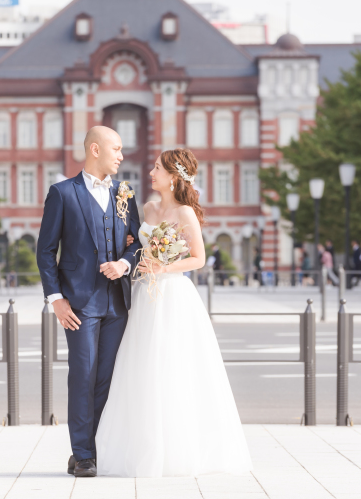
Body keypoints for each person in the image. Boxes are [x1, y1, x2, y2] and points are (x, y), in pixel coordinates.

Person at [96, 148, 252, 477]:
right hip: (143, 294)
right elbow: (135, 246)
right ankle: (139, 447)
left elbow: (198, 258)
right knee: (139, 365)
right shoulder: (149, 207)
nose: (150, 173)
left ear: (174, 176)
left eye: (156, 168)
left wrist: (164, 267)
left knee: (172, 365)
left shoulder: (185, 213)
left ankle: (176, 449)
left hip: (172, 294)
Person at [37, 126, 142, 478]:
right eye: (117, 149)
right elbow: (46, 251)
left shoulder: (125, 193)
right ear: (95, 150)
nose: (122, 156)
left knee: (107, 379)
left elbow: (137, 242)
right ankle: (82, 454)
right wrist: (56, 299)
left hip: (117, 304)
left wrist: (125, 263)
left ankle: (94, 448)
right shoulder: (62, 193)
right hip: (79, 303)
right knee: (83, 376)